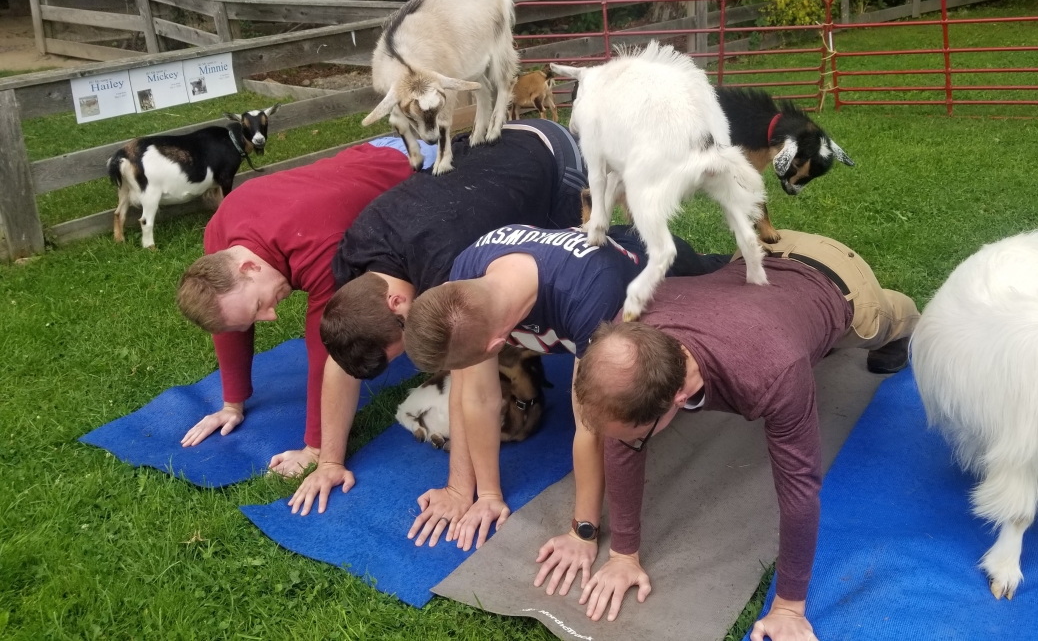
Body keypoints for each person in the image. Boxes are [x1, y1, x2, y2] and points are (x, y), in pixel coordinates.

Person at [569, 231, 919, 639]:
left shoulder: (772, 372)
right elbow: (621, 434)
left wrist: (788, 607)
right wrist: (623, 553)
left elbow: (800, 488)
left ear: (678, 398)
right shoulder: (628, 333)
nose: (625, 445)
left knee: (887, 323)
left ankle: (909, 321)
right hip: (758, 253)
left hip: (838, 276)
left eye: (636, 437)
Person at [287, 118, 587, 515]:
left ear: (396, 304)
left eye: (405, 342)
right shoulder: (354, 258)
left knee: (567, 273)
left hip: (553, 158)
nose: (415, 350)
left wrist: (460, 490)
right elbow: (344, 355)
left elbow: (475, 385)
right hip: (486, 150)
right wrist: (328, 461)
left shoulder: (448, 268)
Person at [399, 223, 728, 556]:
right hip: (596, 252)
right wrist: (471, 492)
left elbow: (592, 421)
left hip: (664, 268)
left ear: (499, 346)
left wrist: (582, 532)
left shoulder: (587, 294)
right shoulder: (465, 277)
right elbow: (474, 394)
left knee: (728, 276)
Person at [174, 135, 436, 475]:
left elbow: (328, 353)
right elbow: (230, 322)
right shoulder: (219, 237)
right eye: (256, 314)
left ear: (248, 267)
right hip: (365, 156)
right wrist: (231, 404)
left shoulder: (322, 252)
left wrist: (315, 448)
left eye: (259, 307)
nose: (271, 316)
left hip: (419, 164)